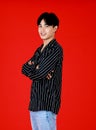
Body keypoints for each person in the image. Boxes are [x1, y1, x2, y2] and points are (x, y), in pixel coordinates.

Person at [22, 12, 63, 130]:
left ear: (55, 28)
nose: (42, 29)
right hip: (34, 104)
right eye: (40, 26)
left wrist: (37, 69)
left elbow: (40, 73)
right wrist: (38, 69)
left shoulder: (55, 49)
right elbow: (24, 68)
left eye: (46, 26)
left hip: (46, 105)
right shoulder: (39, 50)